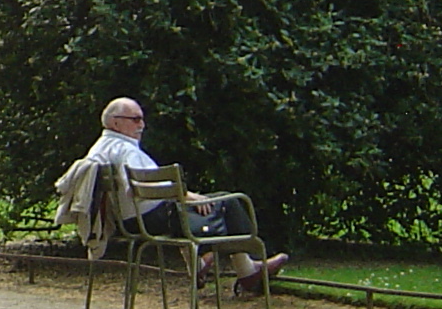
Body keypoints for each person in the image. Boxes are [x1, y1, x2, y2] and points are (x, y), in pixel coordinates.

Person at [54, 97, 287, 295]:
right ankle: (247, 271)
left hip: (131, 220)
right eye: (135, 119)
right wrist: (187, 196)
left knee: (215, 201)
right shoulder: (126, 151)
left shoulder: (101, 147)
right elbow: (149, 186)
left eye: (142, 118)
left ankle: (209, 265)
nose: (142, 125)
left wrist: (186, 197)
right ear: (115, 122)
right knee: (231, 203)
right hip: (152, 218)